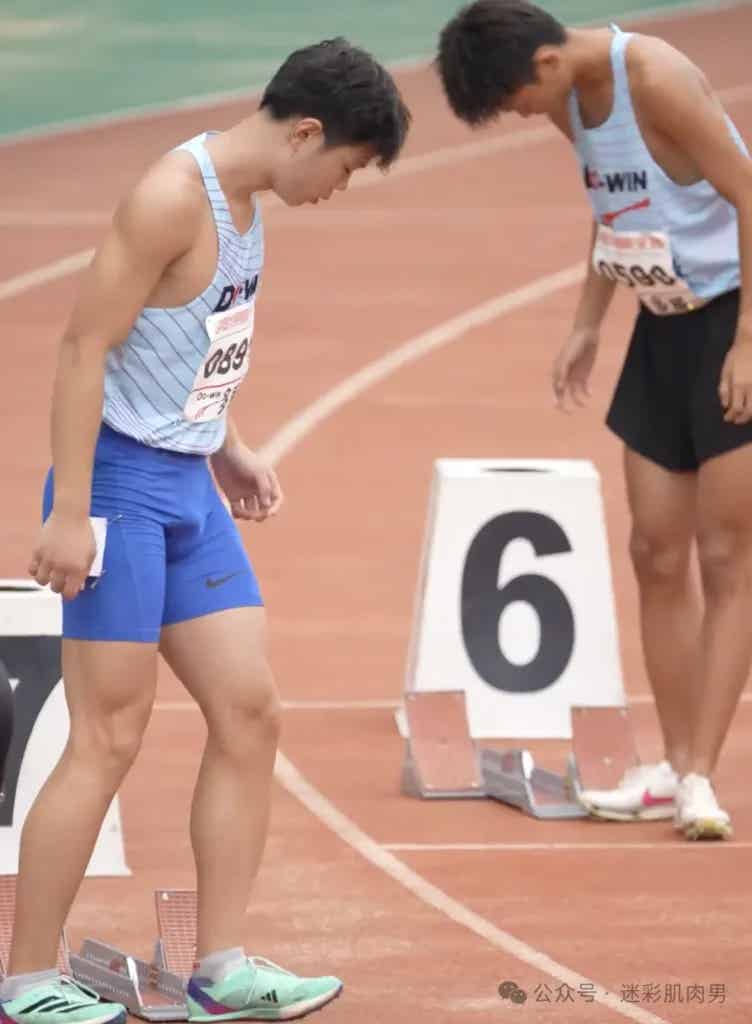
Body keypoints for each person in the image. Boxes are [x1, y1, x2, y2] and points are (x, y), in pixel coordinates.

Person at [2, 38, 410, 1024]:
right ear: (305, 132)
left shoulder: (247, 203)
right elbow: (82, 348)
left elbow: (182, 346)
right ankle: (26, 982)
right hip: (118, 490)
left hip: (186, 485)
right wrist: (69, 513)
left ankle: (220, 969)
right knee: (108, 736)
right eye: (347, 166)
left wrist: (229, 444)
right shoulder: (169, 199)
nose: (340, 188)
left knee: (250, 711)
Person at [436, 0, 752, 840]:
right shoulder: (569, 101)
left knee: (727, 556)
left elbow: (750, 193)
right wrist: (587, 322)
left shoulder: (654, 76)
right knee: (654, 551)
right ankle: (671, 765)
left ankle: (701, 775)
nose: (522, 116)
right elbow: (617, 207)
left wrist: (749, 341)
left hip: (734, 318)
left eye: (516, 103)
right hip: (662, 323)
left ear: (543, 63)